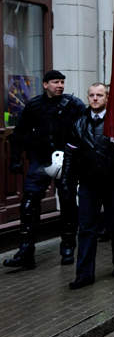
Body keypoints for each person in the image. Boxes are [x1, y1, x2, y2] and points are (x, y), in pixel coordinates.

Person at [5, 70, 85, 270]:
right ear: (45, 84)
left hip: (66, 161)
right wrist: (15, 158)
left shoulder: (73, 105)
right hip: (39, 161)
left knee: (67, 202)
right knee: (29, 205)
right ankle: (26, 252)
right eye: (56, 82)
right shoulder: (34, 105)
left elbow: (85, 130)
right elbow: (19, 132)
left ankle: (68, 247)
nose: (60, 85)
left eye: (62, 82)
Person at [62, 83, 114, 289]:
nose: (95, 98)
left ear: (106, 98)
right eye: (92, 95)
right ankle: (84, 274)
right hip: (88, 183)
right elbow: (70, 155)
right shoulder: (78, 123)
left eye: (99, 95)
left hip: (113, 183)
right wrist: (67, 182)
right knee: (86, 228)